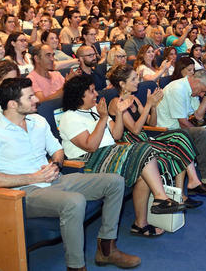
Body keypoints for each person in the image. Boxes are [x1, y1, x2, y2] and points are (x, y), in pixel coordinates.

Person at [0, 78, 141, 269]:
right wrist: (33, 177)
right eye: (30, 97)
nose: (37, 100)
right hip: (22, 193)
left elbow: (57, 150)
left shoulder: (37, 121)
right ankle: (76, 266)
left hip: (54, 180)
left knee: (115, 182)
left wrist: (55, 164)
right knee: (74, 201)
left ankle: (106, 250)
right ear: (13, 104)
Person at [59, 75, 186, 238]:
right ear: (79, 96)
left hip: (110, 152)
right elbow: (90, 146)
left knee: (143, 171)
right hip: (89, 161)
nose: (96, 94)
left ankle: (140, 224)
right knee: (143, 150)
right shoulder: (69, 117)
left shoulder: (94, 110)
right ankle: (160, 198)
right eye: (91, 91)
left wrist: (119, 113)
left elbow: (117, 135)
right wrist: (103, 118)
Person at [106, 65, 206, 207]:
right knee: (178, 144)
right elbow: (135, 130)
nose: (138, 82)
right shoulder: (116, 102)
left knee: (180, 136)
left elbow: (152, 123)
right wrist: (148, 105)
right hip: (130, 142)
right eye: (134, 79)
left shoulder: (134, 99)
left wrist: (153, 107)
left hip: (143, 137)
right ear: (122, 84)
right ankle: (185, 191)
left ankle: (182, 192)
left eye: (137, 78)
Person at [156, 69, 206, 194]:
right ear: (197, 82)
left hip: (179, 127)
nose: (201, 94)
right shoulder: (178, 89)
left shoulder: (193, 89)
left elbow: (198, 116)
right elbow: (183, 123)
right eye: (203, 91)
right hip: (167, 131)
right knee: (201, 133)